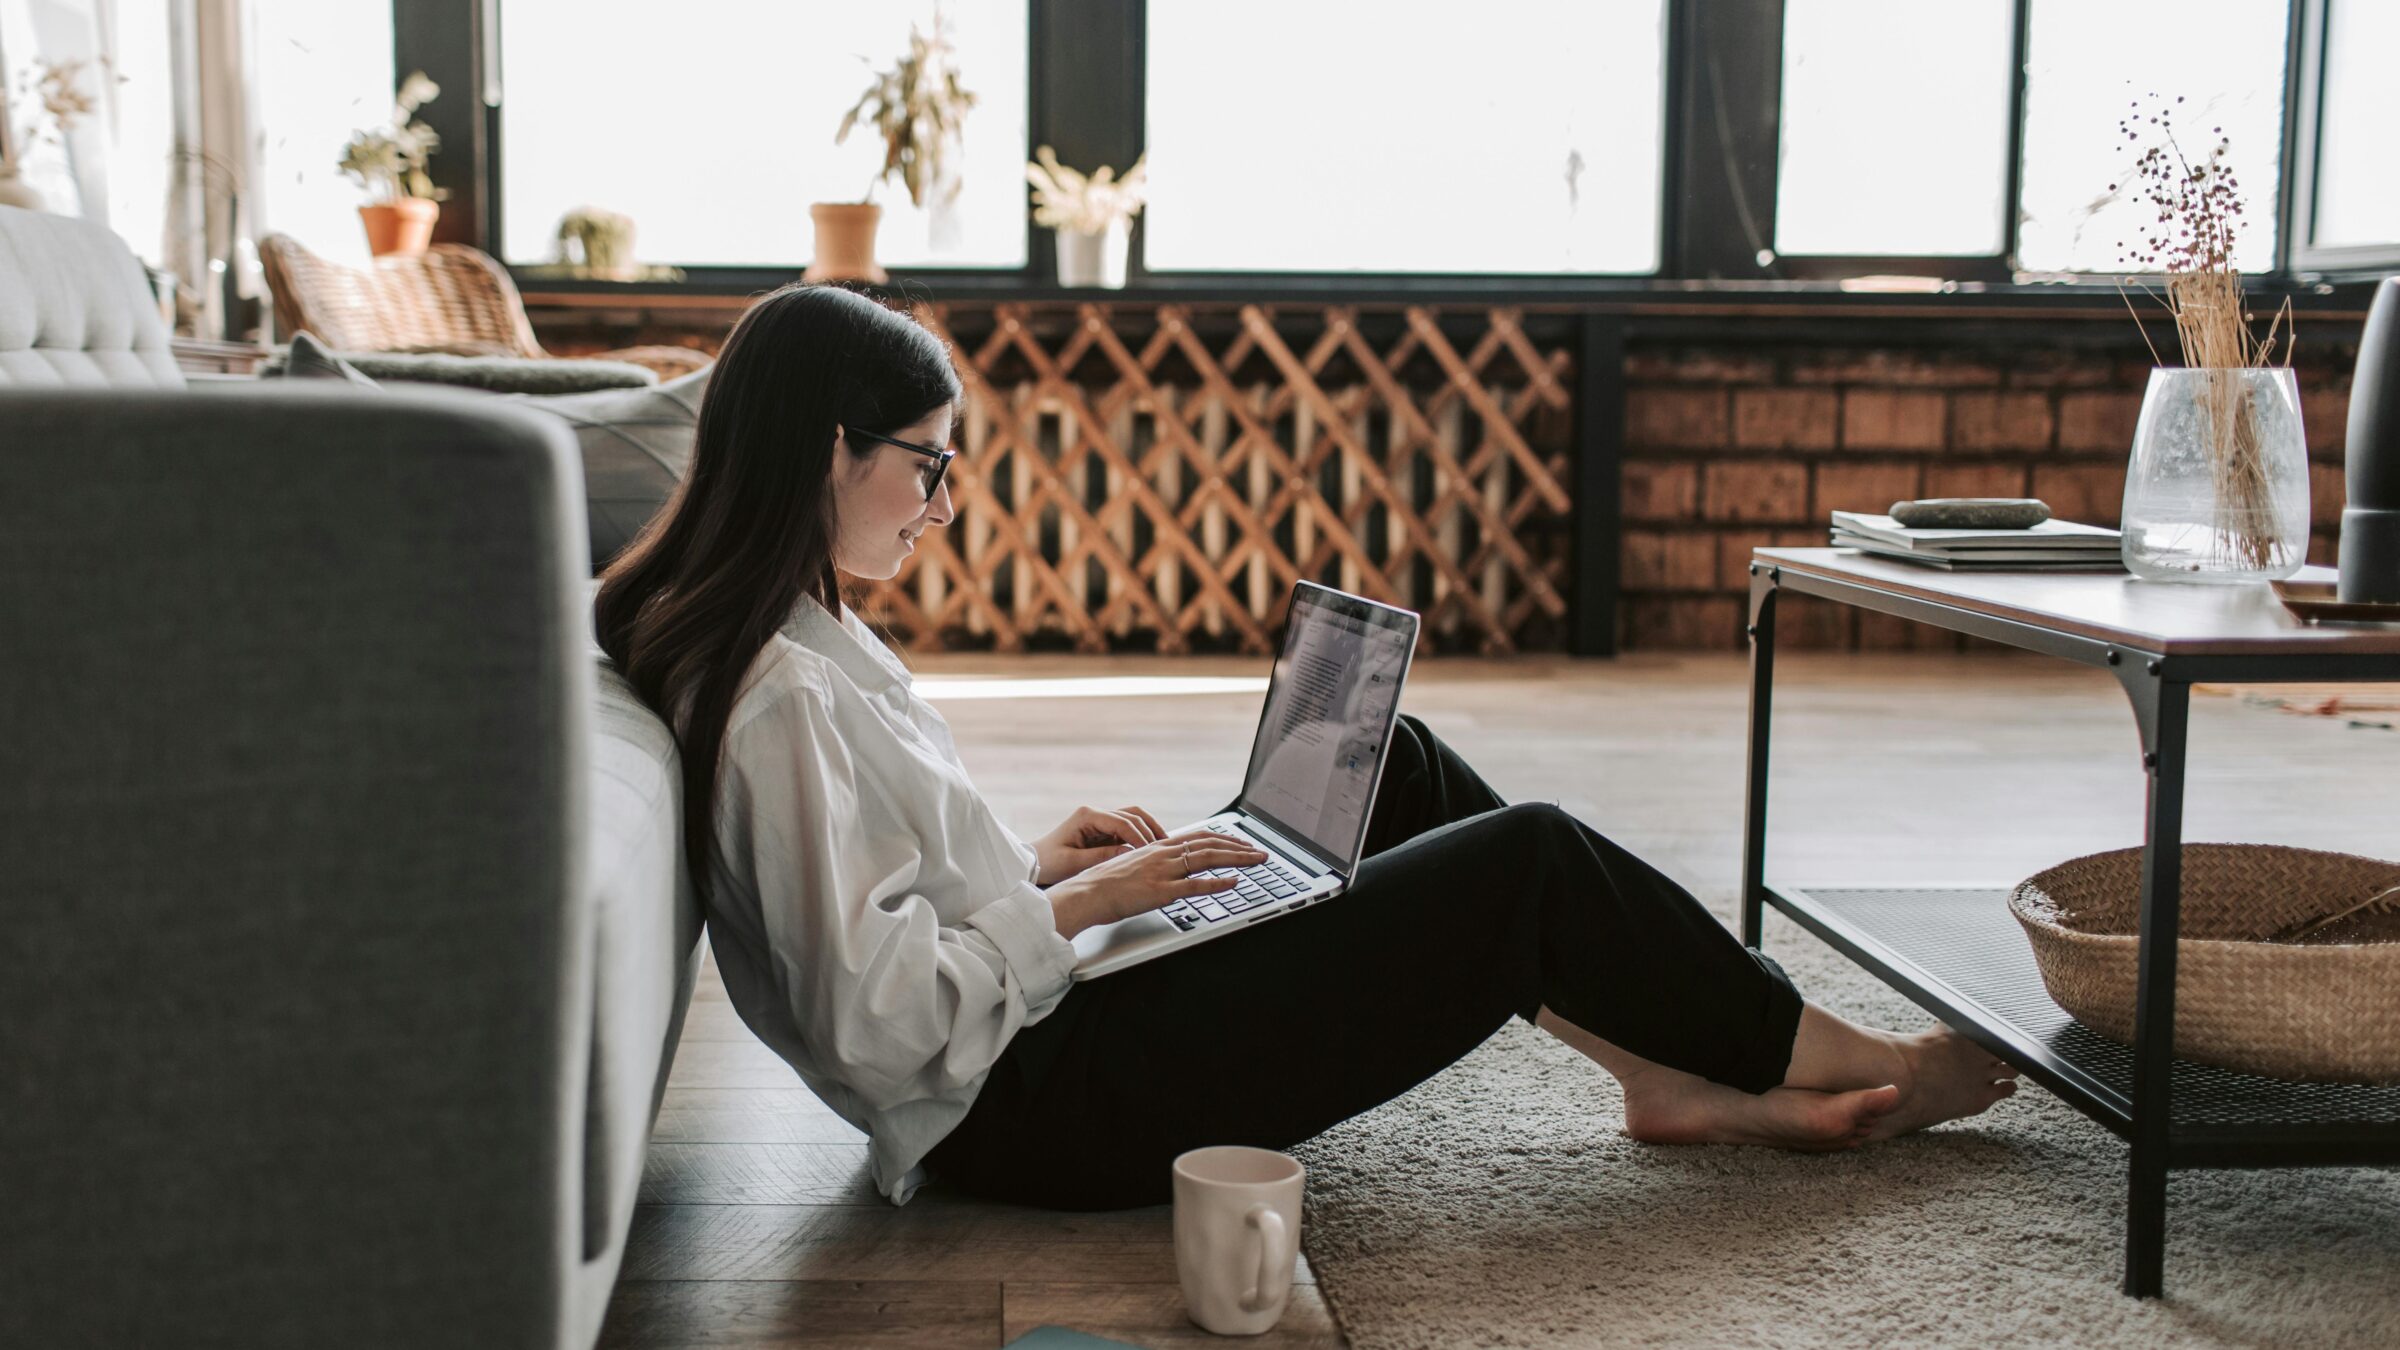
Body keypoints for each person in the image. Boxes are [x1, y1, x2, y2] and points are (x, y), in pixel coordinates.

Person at [593, 285, 2020, 1211]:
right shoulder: (781, 691)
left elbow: (877, 906)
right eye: (930, 464)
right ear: (828, 449)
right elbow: (877, 1024)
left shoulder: (800, 637)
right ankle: (1847, 1059)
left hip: (1038, 1029)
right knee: (1530, 862)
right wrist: (1079, 910)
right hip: (1028, 1112)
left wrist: (1039, 862)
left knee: (1387, 760)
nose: (945, 502)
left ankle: (1662, 1068)